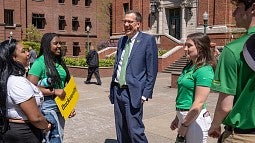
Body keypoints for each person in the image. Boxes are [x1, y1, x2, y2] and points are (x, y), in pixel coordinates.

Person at [208, 0, 255, 142]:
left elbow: (225, 105)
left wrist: (215, 125)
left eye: (238, 8)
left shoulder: (233, 50)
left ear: (253, 8)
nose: (233, 13)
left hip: (243, 136)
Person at [109, 10, 158, 143]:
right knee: (121, 128)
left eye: (129, 22)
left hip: (134, 93)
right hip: (118, 90)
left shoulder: (148, 40)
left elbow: (152, 71)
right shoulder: (121, 40)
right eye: (124, 21)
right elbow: (118, 64)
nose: (126, 24)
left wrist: (145, 94)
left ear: (138, 24)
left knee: (135, 130)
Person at [27, 33, 75, 143]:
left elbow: (64, 86)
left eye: (60, 43)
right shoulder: (39, 63)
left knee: (59, 136)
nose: (59, 46)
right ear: (47, 46)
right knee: (52, 139)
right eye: (55, 43)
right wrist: (53, 91)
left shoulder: (59, 62)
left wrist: (69, 106)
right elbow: (29, 88)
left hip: (61, 105)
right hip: (47, 106)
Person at [0, 39, 51, 142]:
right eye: (23, 51)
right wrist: (46, 126)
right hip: (25, 133)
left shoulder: (8, 79)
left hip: (12, 130)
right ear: (13, 58)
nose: (28, 54)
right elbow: (35, 117)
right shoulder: (17, 82)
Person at [170, 32, 216, 143]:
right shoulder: (189, 67)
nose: (185, 48)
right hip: (185, 117)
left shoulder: (204, 70)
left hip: (195, 119)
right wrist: (177, 118)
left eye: (189, 46)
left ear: (200, 48)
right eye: (185, 45)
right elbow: (184, 95)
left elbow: (198, 103)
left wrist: (185, 124)